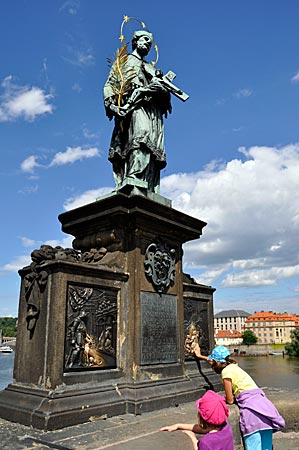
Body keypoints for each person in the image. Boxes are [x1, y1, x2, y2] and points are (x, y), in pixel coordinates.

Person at [103, 30, 171, 194]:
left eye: (150, 42)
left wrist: (160, 89)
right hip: (133, 107)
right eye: (145, 39)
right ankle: (133, 177)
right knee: (141, 135)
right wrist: (113, 106)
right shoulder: (123, 62)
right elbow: (109, 85)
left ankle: (144, 182)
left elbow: (166, 95)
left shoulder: (150, 68)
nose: (148, 43)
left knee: (149, 143)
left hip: (152, 110)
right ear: (135, 41)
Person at [192, 345, 285, 450]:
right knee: (266, 448)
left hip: (252, 412)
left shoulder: (226, 372)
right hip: (264, 408)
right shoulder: (234, 366)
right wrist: (200, 356)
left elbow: (230, 400)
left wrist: (222, 399)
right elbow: (212, 360)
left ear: (215, 362)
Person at [160, 390, 234, 450]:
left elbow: (199, 446)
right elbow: (202, 429)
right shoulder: (226, 428)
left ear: (202, 418)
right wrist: (178, 425)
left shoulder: (206, 443)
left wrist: (194, 439)